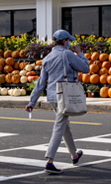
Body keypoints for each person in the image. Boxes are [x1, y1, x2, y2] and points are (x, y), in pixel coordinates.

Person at [25, 29, 90, 175]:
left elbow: (41, 83)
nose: (70, 44)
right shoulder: (67, 54)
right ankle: (49, 161)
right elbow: (85, 68)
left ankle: (74, 155)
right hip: (65, 96)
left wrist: (32, 102)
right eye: (69, 41)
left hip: (53, 97)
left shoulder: (47, 58)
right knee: (59, 126)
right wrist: (80, 53)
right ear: (65, 41)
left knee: (64, 125)